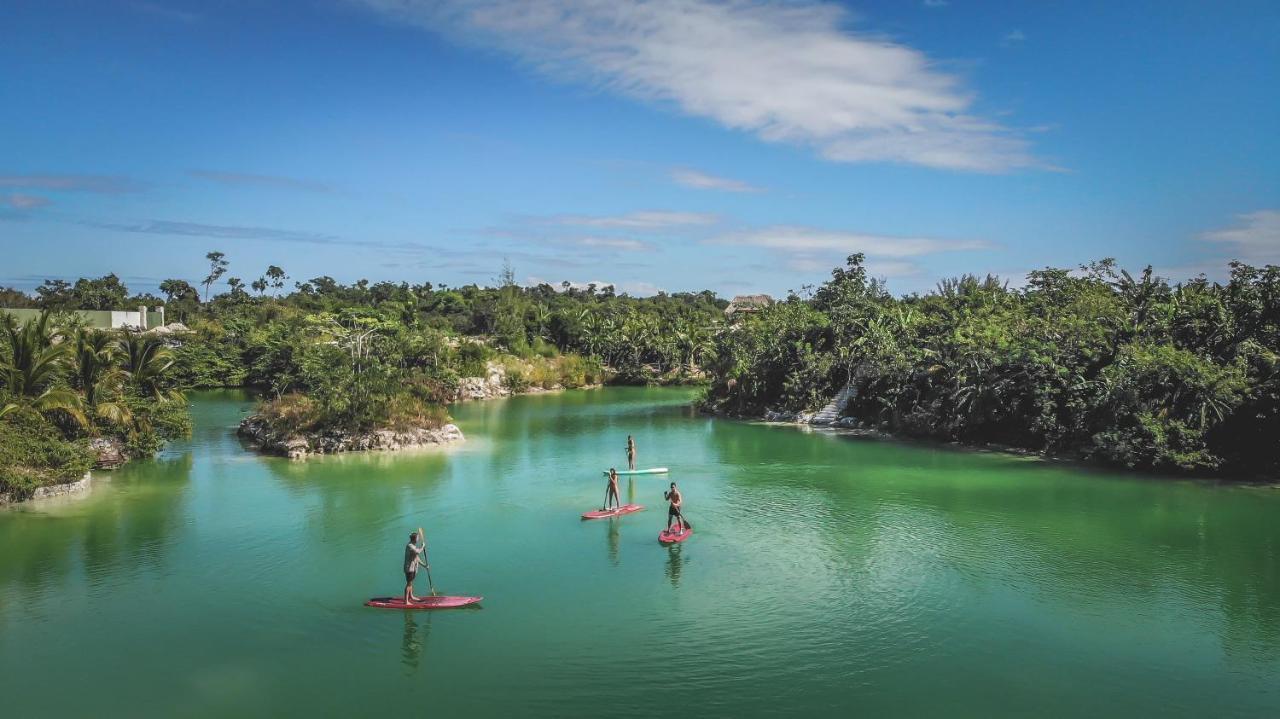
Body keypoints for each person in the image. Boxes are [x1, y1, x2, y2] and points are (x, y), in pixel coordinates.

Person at [403, 528, 429, 603]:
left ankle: (411, 596)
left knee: (411, 582)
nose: (418, 539)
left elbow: (416, 558)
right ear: (415, 539)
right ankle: (406, 601)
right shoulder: (410, 546)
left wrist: (424, 565)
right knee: (408, 583)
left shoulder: (414, 545)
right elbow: (417, 552)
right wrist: (422, 547)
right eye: (418, 538)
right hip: (409, 568)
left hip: (413, 568)